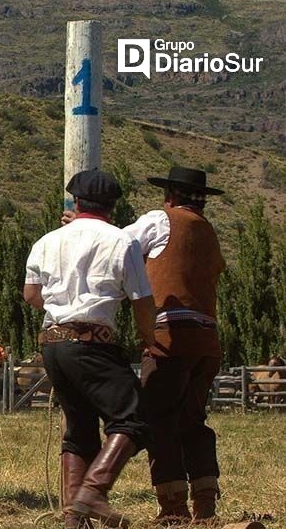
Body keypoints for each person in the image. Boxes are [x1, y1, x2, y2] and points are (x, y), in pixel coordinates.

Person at [24, 170, 156, 529]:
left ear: (76, 202)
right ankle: (93, 492)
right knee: (133, 418)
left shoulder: (46, 241)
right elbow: (142, 300)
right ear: (113, 206)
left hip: (53, 345)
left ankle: (73, 518)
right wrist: (149, 336)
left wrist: (62, 310)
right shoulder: (122, 242)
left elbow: (31, 295)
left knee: (79, 429)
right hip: (91, 343)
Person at [125, 167, 226, 523]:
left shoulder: (159, 220)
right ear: (201, 200)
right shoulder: (207, 232)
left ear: (170, 195)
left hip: (171, 337)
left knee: (159, 419)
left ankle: (172, 506)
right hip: (207, 340)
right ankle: (206, 502)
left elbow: (117, 247)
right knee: (193, 419)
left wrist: (80, 228)